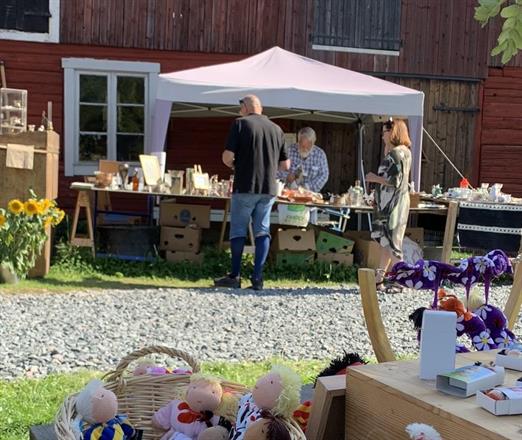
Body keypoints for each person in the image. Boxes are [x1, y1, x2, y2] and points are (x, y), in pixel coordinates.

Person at [214, 95, 290, 290]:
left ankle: (235, 275)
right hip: (269, 188)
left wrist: (235, 165)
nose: (240, 112)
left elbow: (227, 156)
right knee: (262, 231)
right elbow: (285, 165)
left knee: (238, 230)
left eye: (240, 108)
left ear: (246, 107)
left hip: (245, 185)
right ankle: (257, 278)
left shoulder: (240, 124)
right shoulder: (277, 129)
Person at [365, 119, 412, 289]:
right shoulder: (405, 152)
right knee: (388, 241)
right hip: (398, 202)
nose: (382, 135)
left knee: (393, 243)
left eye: (385, 132)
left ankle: (403, 279)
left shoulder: (395, 155)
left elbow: (394, 181)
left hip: (391, 205)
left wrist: (373, 178)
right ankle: (379, 277)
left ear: (393, 132)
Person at [279, 127, 329, 193]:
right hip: (289, 193)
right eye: (302, 146)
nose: (305, 149)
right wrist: (286, 176)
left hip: (310, 194)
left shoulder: (320, 154)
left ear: (313, 142)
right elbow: (278, 170)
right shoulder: (288, 151)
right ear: (298, 141)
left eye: (308, 146)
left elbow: (324, 175)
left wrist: (308, 187)